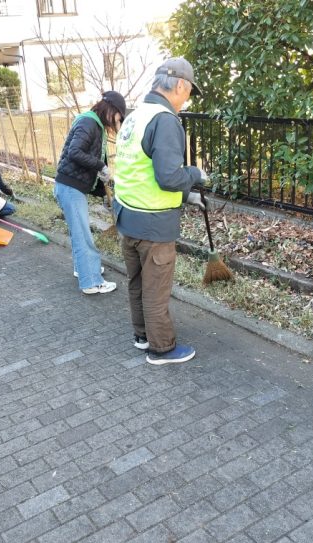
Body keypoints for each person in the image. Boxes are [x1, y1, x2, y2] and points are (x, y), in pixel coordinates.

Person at [113, 57, 207, 365]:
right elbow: (168, 177)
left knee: (137, 283)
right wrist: (195, 175)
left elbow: (142, 170)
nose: (187, 98)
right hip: (153, 226)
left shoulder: (136, 115)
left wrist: (186, 198)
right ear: (180, 85)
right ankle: (162, 349)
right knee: (156, 291)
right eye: (189, 91)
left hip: (128, 217)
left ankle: (142, 336)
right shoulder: (165, 120)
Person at [53, 91, 126, 295]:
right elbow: (75, 153)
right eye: (119, 117)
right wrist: (101, 165)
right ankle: (92, 281)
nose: (117, 123)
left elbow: (85, 164)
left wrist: (102, 191)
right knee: (83, 236)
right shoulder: (89, 123)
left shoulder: (94, 124)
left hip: (71, 187)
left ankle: (83, 270)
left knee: (79, 234)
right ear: (111, 110)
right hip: (70, 189)